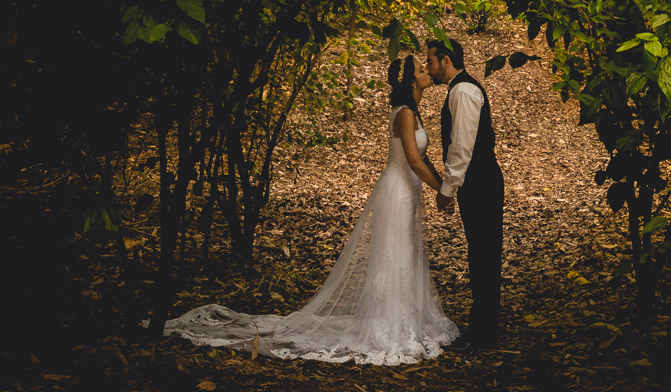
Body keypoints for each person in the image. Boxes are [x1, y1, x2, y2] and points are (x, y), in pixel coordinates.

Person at [149, 54, 459, 365]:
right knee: (396, 254)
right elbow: (414, 161)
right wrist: (445, 191)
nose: (427, 72)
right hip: (397, 191)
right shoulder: (404, 114)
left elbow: (420, 160)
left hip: (408, 189)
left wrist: (442, 187)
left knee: (404, 253)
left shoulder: (412, 112)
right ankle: (392, 326)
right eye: (421, 70)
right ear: (409, 81)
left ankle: (400, 319)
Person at [426, 38, 505, 350]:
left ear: (446, 61)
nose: (429, 68)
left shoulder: (463, 91)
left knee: (484, 254)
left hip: (481, 181)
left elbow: (461, 147)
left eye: (431, 61)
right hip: (479, 181)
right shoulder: (459, 90)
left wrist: (447, 189)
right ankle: (484, 327)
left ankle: (483, 332)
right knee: (481, 253)